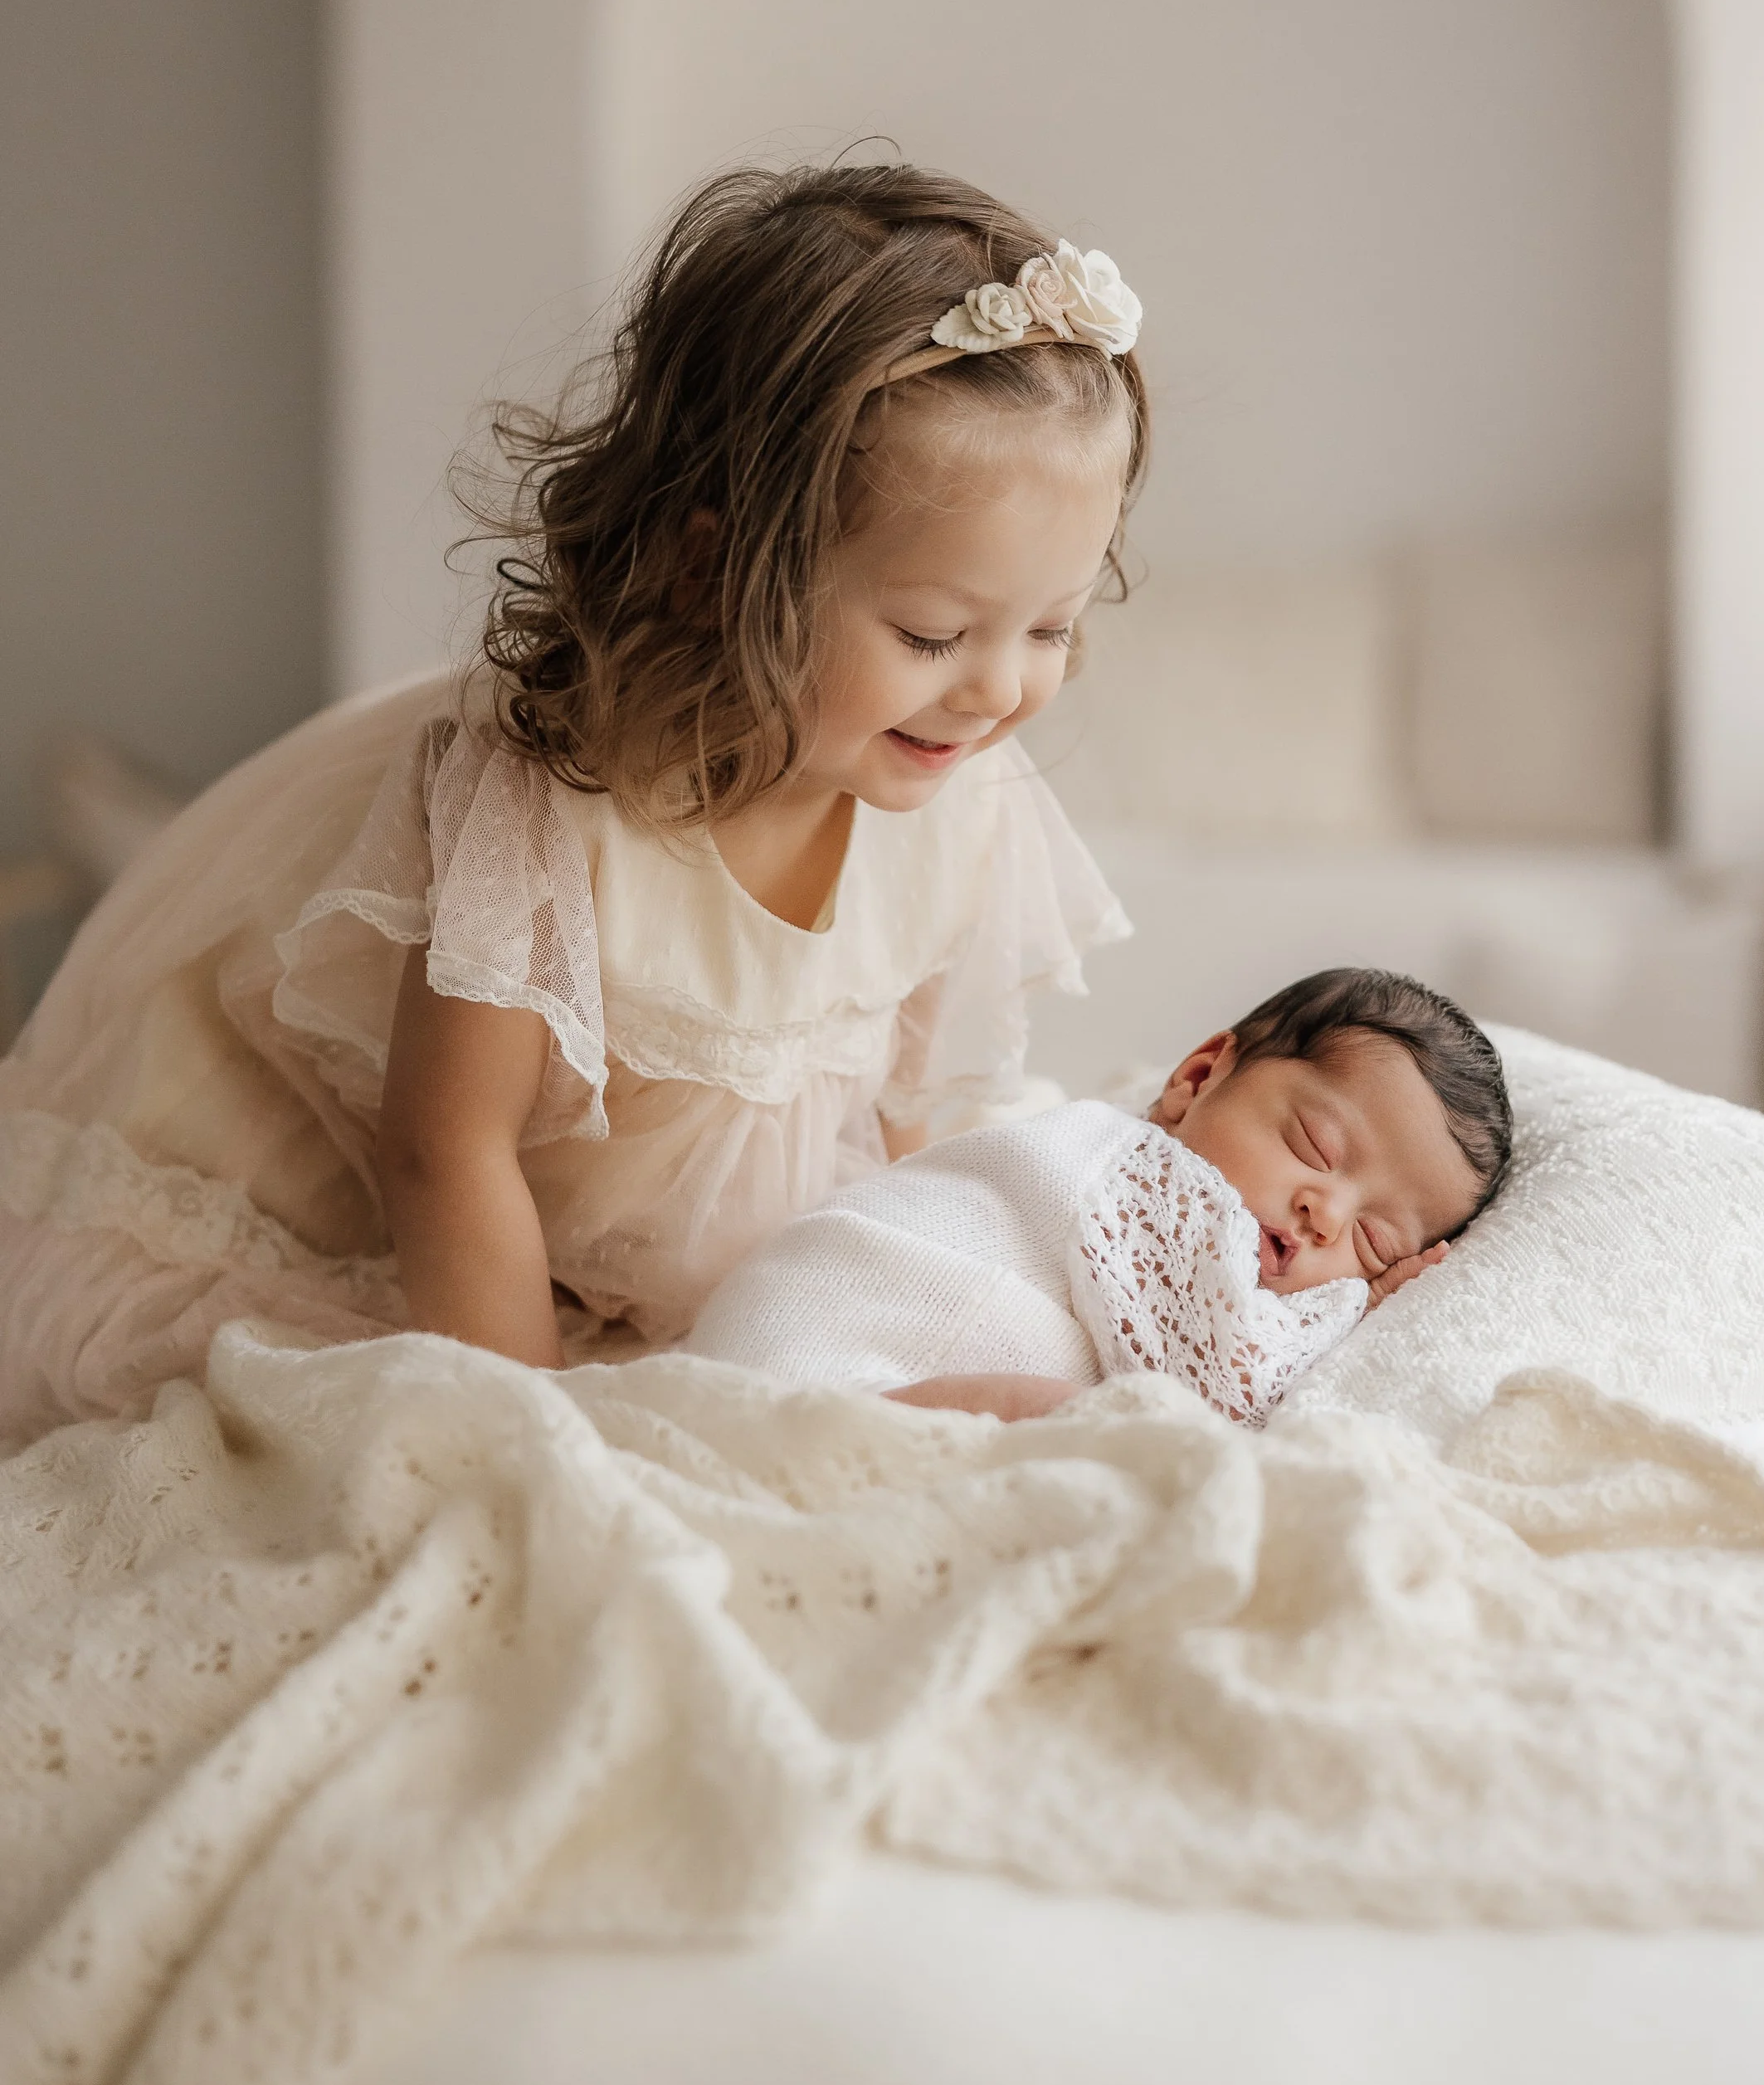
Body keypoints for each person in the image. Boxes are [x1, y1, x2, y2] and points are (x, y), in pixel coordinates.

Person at [0, 163, 1148, 1444]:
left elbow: (901, 1120)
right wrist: (549, 1444)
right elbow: (446, 1151)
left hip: (596, 1232)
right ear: (715, 568)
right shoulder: (554, 801)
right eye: (933, 634)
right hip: (366, 1209)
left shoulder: (954, 787)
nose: (998, 692)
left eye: (1052, 627)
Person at [686, 966, 1513, 1425]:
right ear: (1197, 1078)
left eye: (1374, 1242)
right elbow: (1219, 1389)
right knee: (1117, 1432)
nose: (1325, 1214)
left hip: (854, 1383)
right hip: (815, 1364)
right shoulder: (1144, 1175)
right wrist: (1354, 1307)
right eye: (1314, 1148)